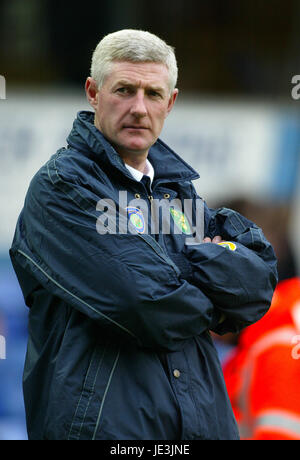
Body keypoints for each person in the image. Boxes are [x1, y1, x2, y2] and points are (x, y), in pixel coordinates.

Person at [9, 29, 278, 441]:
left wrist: (179, 276)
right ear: (93, 93)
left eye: (152, 94)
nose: (138, 108)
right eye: (124, 90)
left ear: (170, 103)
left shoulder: (179, 191)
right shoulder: (61, 187)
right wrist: (217, 294)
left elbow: (258, 285)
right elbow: (146, 303)